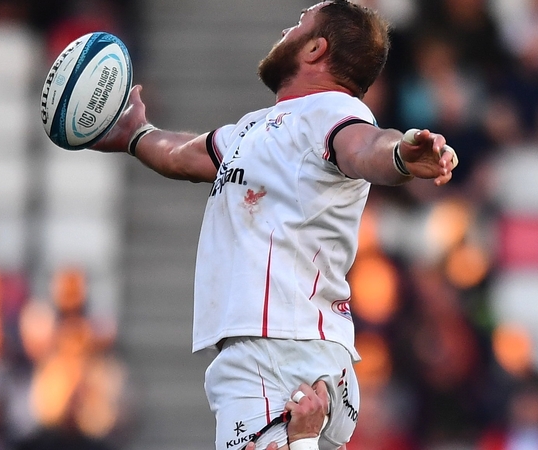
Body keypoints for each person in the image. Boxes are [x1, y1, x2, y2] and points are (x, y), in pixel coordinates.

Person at [91, 1, 457, 449]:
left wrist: (400, 154)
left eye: (299, 24)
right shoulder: (256, 128)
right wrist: (135, 134)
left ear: (315, 49)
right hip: (291, 347)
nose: (286, 30)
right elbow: (185, 155)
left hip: (278, 346)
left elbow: (367, 147)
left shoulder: (334, 112)